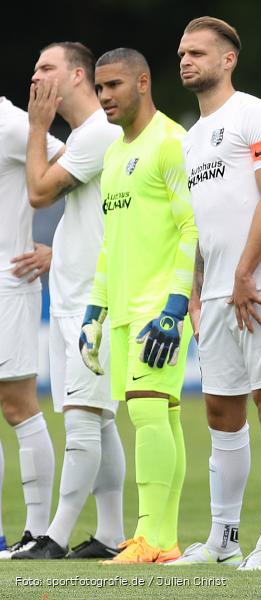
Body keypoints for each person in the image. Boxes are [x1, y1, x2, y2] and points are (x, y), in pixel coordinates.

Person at [168, 17, 261, 571]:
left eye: (197, 52)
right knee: (221, 413)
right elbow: (202, 224)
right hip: (220, 293)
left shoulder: (255, 113)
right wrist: (198, 293)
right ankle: (223, 540)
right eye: (182, 52)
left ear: (228, 60)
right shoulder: (191, 138)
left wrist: (245, 273)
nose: (186, 60)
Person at [83, 47, 197, 564]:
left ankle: (151, 536)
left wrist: (175, 305)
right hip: (125, 308)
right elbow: (111, 243)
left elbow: (191, 227)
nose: (104, 96)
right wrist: (95, 311)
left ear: (143, 82)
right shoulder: (113, 155)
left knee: (149, 412)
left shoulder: (171, 143)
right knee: (159, 416)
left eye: (114, 85)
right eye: (99, 88)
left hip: (159, 307)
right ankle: (163, 542)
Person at [14, 41, 125, 561]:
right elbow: (97, 218)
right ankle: (111, 533)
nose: (35, 77)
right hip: (71, 297)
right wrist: (57, 251)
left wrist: (36, 128)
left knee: (83, 418)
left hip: (94, 304)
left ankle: (53, 537)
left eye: (47, 67)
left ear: (78, 75)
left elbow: (39, 192)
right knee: (98, 419)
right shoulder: (86, 137)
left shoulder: (100, 131)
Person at [0, 95, 61, 559]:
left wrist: (60, 247)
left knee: (18, 405)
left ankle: (37, 532)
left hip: (8, 281)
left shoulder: (9, 122)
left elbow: (84, 169)